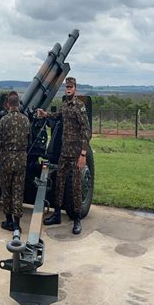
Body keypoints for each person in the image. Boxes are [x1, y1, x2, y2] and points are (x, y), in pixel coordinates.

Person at [37, 77, 91, 234]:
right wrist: (45, 114)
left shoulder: (79, 106)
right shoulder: (65, 105)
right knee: (59, 183)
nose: (68, 88)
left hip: (75, 153)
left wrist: (82, 154)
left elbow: (86, 131)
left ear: (75, 89)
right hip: (64, 152)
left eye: (71, 86)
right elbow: (58, 116)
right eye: (66, 86)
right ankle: (57, 214)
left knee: (75, 186)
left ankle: (76, 219)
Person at [0, 92, 30, 232]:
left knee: (6, 191)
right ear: (18, 104)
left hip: (6, 160)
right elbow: (29, 139)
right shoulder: (25, 120)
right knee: (18, 191)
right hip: (21, 160)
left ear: (8, 104)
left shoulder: (4, 120)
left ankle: (8, 221)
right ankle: (17, 224)